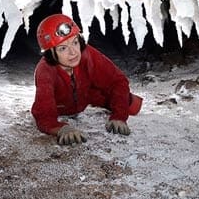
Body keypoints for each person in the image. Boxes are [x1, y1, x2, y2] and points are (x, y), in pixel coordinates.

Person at [30, 13, 143, 145]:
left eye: (75, 42)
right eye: (62, 48)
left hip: (87, 95)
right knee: (46, 117)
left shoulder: (87, 54)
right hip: (61, 106)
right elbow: (43, 114)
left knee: (131, 103)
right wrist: (61, 128)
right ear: (50, 53)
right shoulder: (45, 71)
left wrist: (119, 116)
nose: (73, 52)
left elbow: (117, 80)